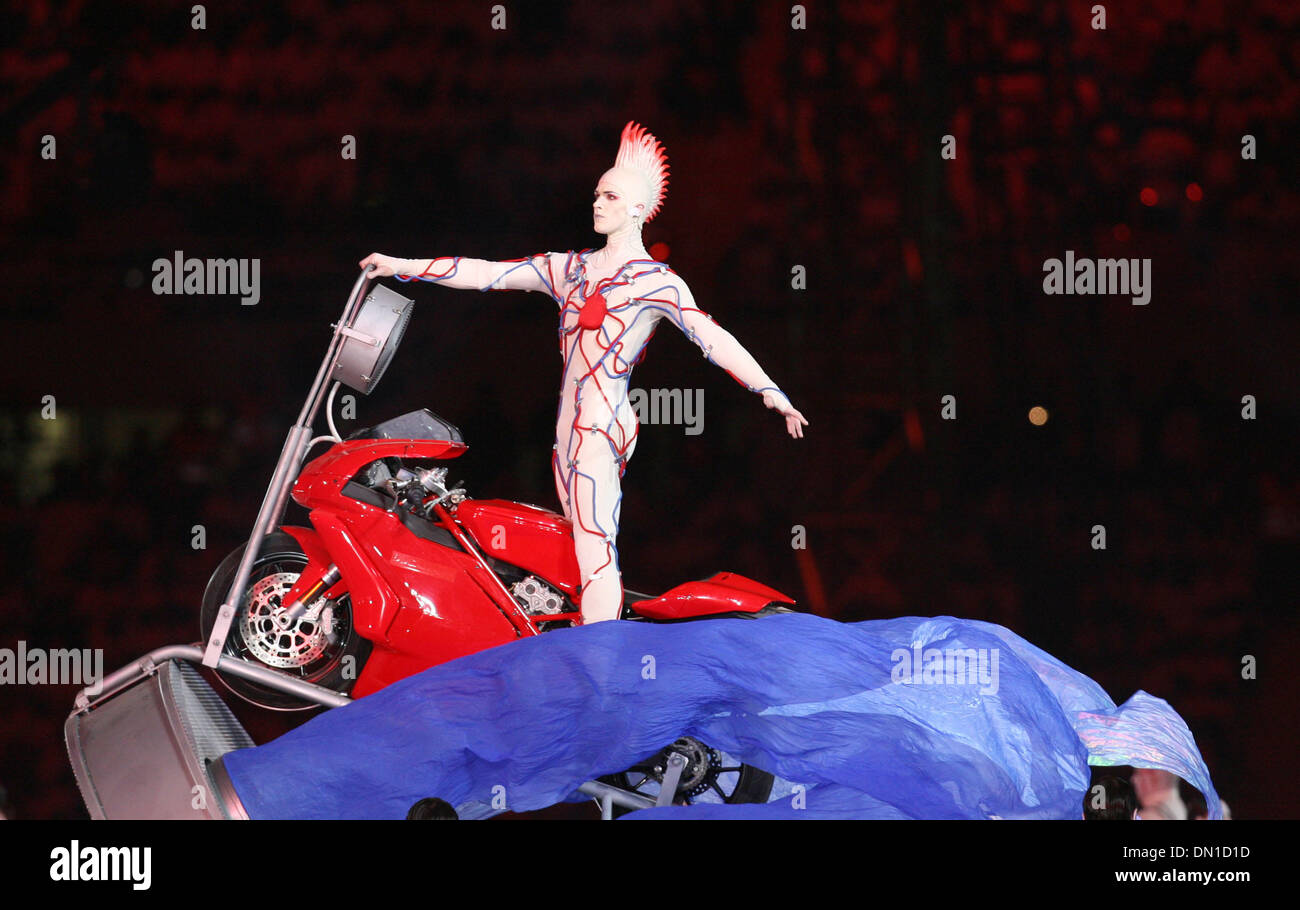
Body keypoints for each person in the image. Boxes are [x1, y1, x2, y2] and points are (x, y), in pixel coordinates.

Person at [360, 122, 808, 624]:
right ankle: (579, 642)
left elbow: (711, 337)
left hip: (602, 424)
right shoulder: (568, 268)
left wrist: (769, 390)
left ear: (637, 209)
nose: (598, 203)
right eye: (597, 193)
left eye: (611, 196)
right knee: (574, 545)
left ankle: (603, 670)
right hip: (566, 430)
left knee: (595, 550)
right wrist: (400, 263)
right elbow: (486, 273)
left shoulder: (657, 283)